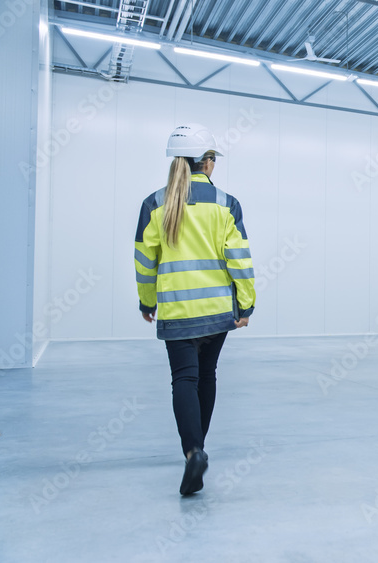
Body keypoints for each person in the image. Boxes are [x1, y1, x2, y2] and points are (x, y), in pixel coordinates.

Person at [134, 123, 256, 495]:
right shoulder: (226, 204)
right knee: (207, 375)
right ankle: (198, 449)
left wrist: (147, 300)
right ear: (207, 162)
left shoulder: (155, 204)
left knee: (184, 379)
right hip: (218, 311)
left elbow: (144, 260)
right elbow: (240, 259)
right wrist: (247, 303)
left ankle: (194, 452)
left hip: (176, 312)